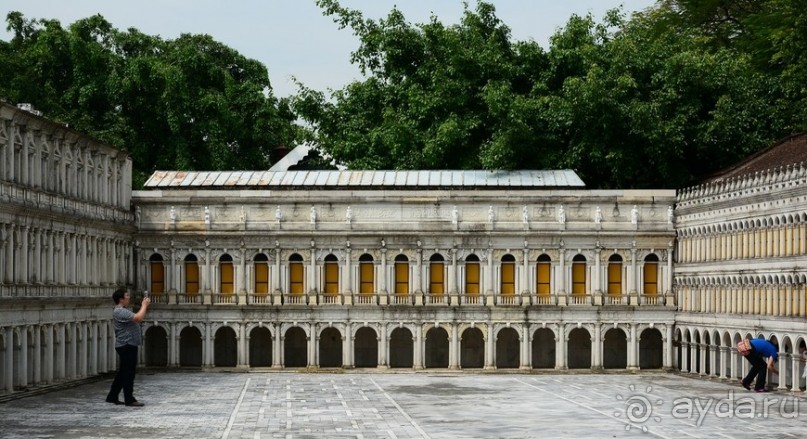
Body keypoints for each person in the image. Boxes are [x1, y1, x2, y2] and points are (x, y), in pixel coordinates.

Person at [106, 288, 150, 407]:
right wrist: (144, 305)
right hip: (127, 344)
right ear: (121, 299)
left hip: (127, 344)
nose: (129, 297)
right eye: (127, 295)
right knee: (129, 373)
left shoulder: (122, 310)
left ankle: (112, 396)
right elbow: (138, 318)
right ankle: (129, 399)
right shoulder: (120, 311)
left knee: (123, 372)